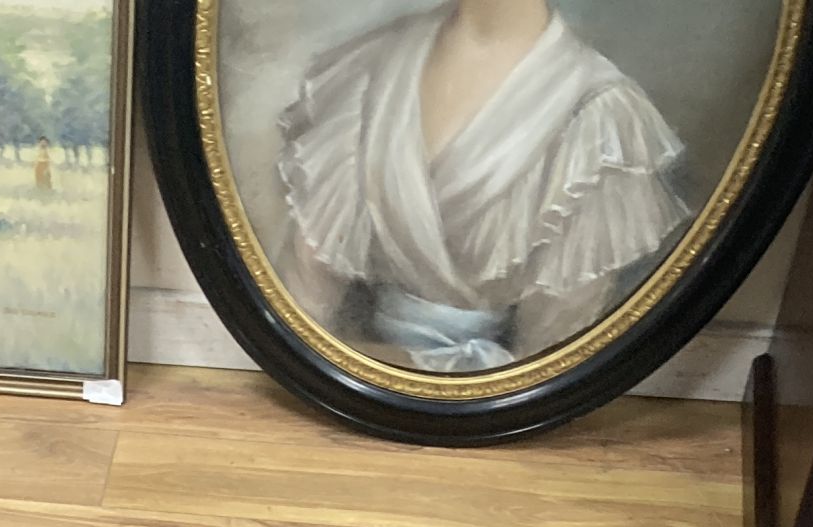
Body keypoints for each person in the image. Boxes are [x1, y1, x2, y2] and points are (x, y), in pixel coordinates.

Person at [277, 0, 691, 371]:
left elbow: (550, 359)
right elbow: (302, 308)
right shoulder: (371, 63)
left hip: (495, 415)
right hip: (342, 391)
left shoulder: (597, 112)